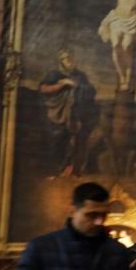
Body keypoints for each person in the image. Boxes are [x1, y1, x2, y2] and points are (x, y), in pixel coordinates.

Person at [38, 50, 98, 178]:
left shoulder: (80, 76)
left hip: (75, 114)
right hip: (57, 114)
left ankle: (71, 170)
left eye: (70, 58)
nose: (69, 60)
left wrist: (78, 86)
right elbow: (43, 88)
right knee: (57, 141)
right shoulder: (54, 74)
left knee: (74, 142)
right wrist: (62, 84)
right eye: (65, 58)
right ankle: (55, 171)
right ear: (61, 61)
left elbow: (91, 90)